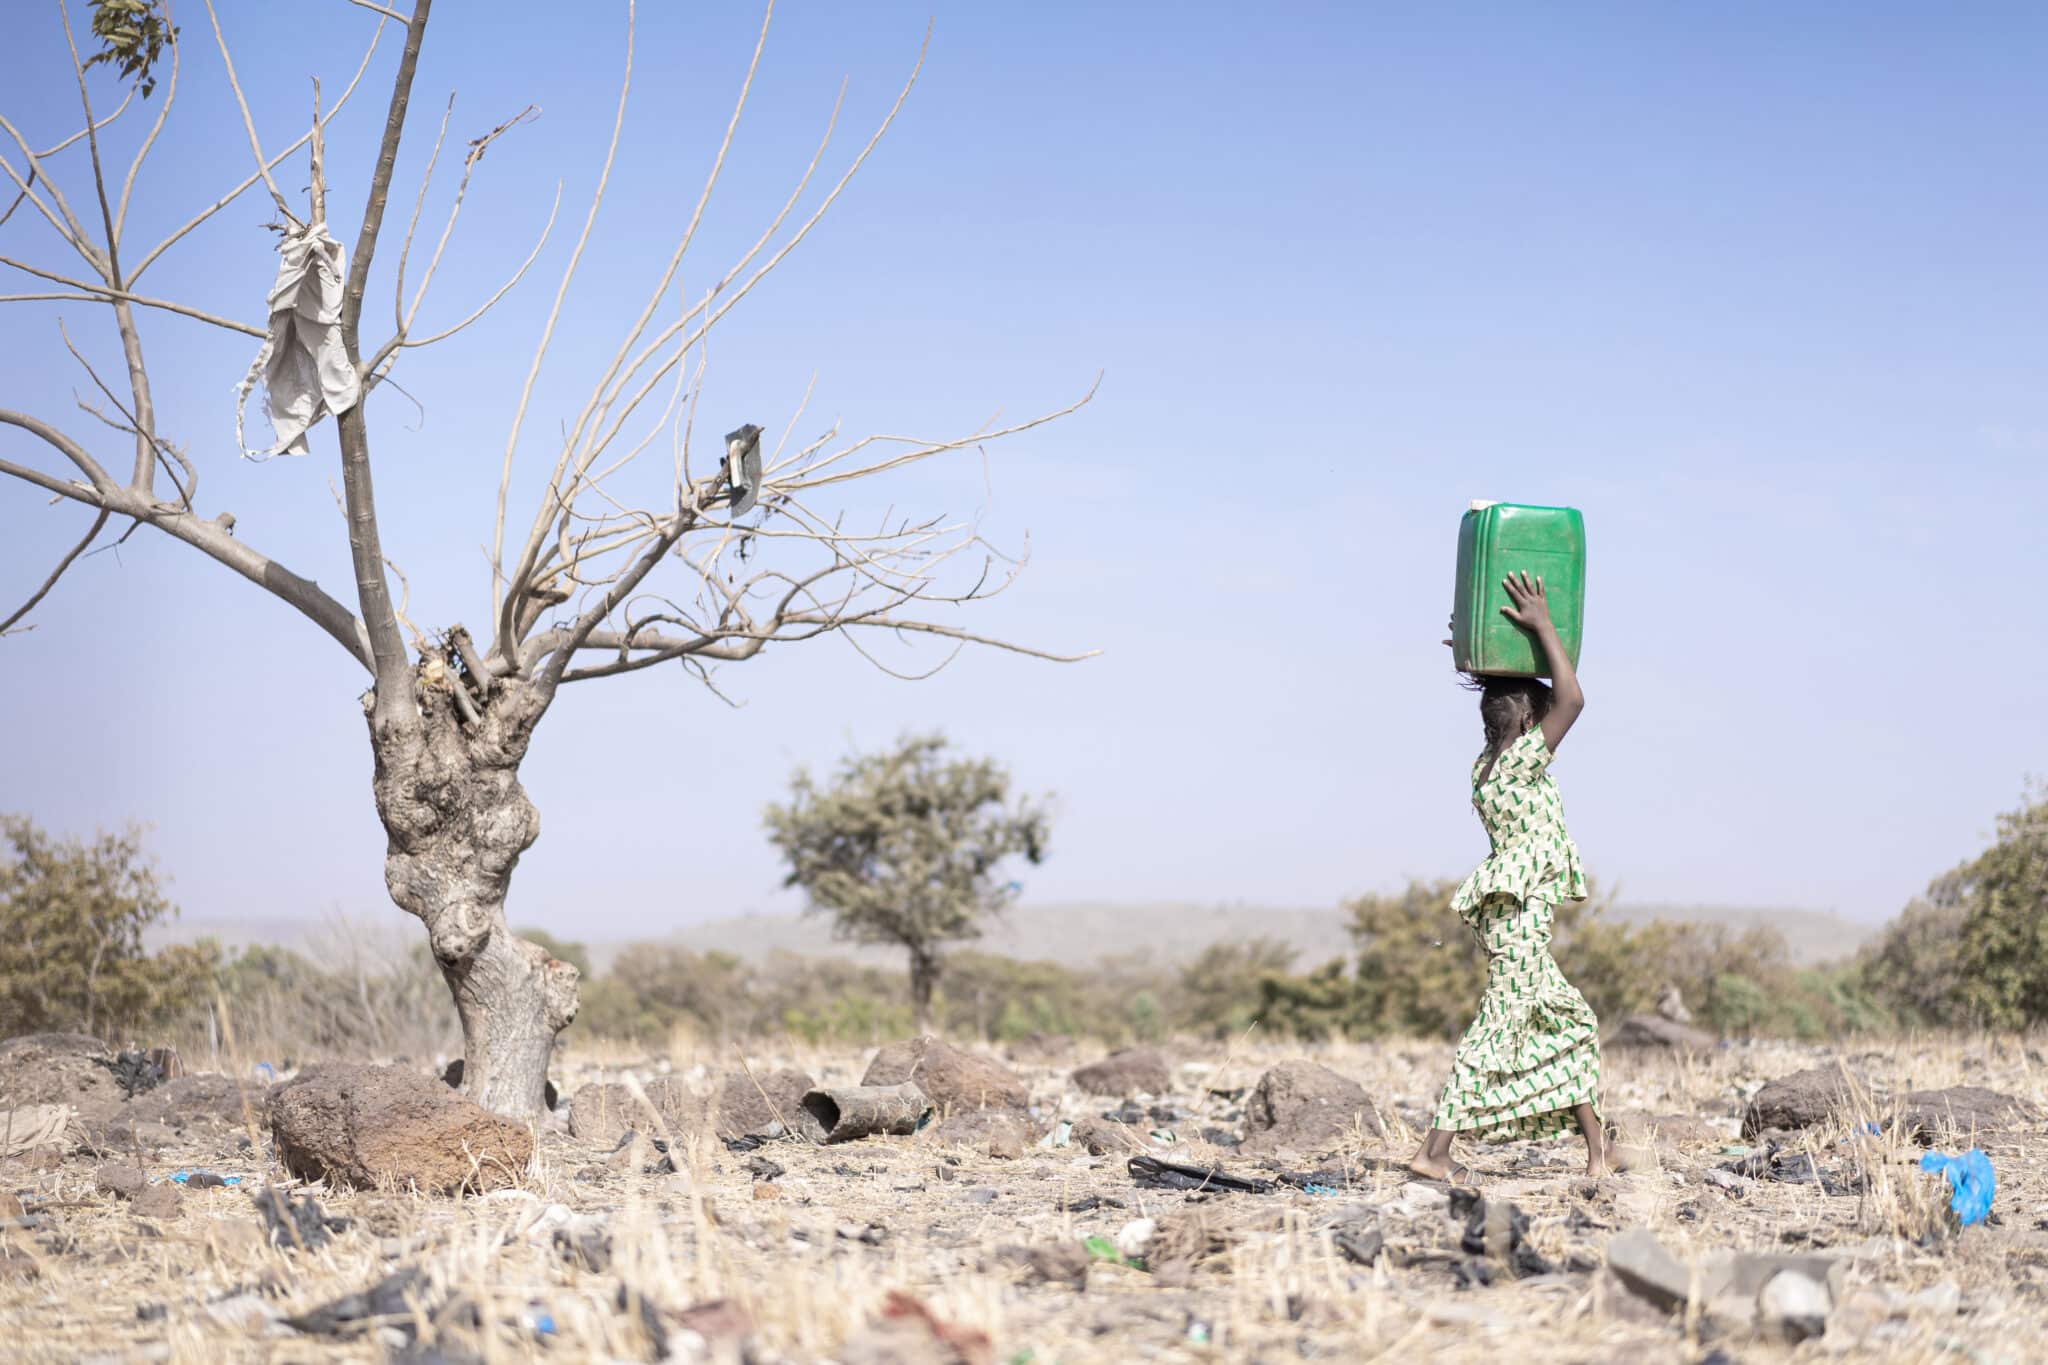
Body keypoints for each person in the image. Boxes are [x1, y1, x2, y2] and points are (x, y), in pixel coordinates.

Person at [1408, 570, 1607, 1182]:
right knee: (1500, 1025)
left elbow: (1538, 696)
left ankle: (1601, 1152)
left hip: (1513, 911)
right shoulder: (1520, 764)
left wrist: (1482, 643)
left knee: (1568, 1022)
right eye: (1540, 714)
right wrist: (1544, 627)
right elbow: (1573, 698)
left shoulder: (1486, 768)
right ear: (1527, 724)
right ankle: (1434, 1153)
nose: (1553, 719)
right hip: (1518, 915)